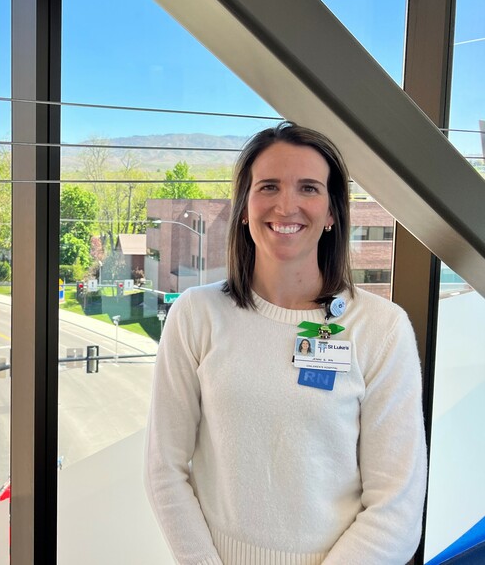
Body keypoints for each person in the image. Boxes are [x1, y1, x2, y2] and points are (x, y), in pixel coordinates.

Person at [145, 122, 427, 564]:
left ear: (333, 212)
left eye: (309, 188)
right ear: (243, 207)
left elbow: (398, 505)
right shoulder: (196, 315)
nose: (287, 204)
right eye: (269, 186)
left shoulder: (382, 330)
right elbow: (164, 469)